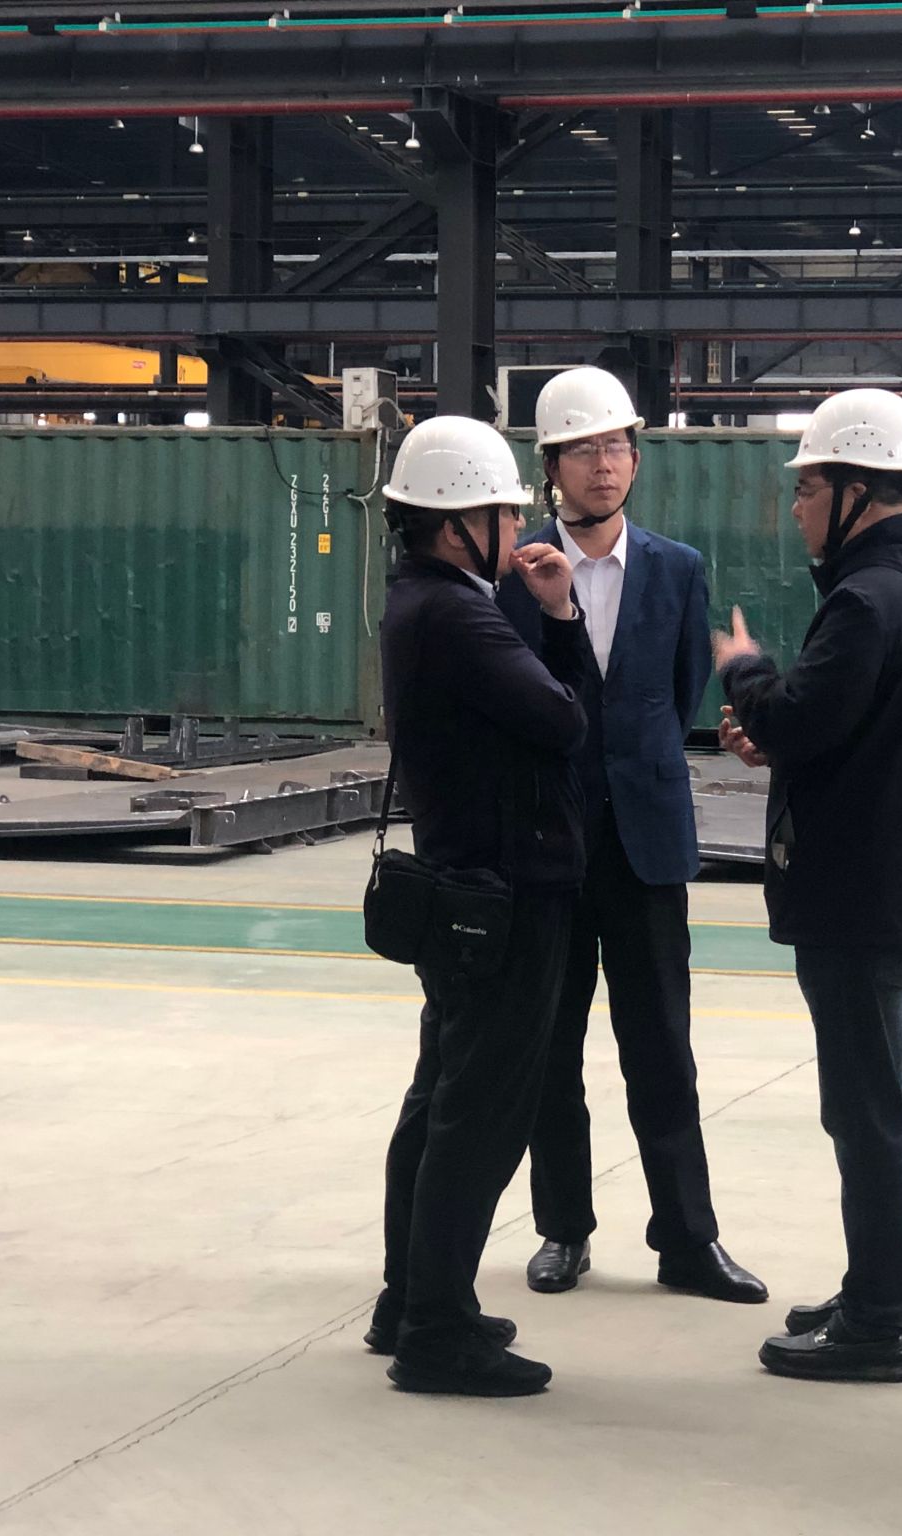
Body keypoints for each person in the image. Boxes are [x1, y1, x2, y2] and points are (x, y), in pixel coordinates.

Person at [712, 388, 902, 1383]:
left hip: (857, 900)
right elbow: (848, 731)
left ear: (856, 491)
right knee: (879, 1101)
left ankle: (880, 1318)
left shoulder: (867, 599)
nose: (795, 507)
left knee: (868, 1111)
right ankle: (874, 1285)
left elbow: (798, 717)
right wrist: (783, 736)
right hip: (898, 890)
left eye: (807, 488)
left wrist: (745, 671)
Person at [499, 365, 768, 1306]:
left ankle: (688, 1240)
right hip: (550, 844)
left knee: (662, 1046)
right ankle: (563, 1229)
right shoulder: (517, 571)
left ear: (636, 458)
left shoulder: (677, 568)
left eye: (616, 446)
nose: (604, 465)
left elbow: (681, 689)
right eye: (583, 451)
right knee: (551, 1045)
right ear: (552, 468)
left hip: (646, 842)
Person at [366, 414, 590, 1398]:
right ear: (460, 524)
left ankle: (407, 1300)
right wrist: (562, 620)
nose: (517, 529)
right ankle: (437, 1330)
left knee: (439, 1098)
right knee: (479, 1114)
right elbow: (565, 720)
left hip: (463, 893)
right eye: (504, 513)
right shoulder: (460, 616)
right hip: (505, 897)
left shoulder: (420, 601)